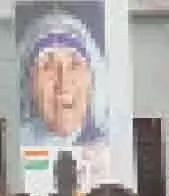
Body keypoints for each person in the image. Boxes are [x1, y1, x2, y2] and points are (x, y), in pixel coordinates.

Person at [18, 10, 108, 146]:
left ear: (92, 80)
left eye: (74, 65)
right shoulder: (12, 146)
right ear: (28, 82)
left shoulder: (114, 147)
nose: (63, 83)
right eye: (48, 67)